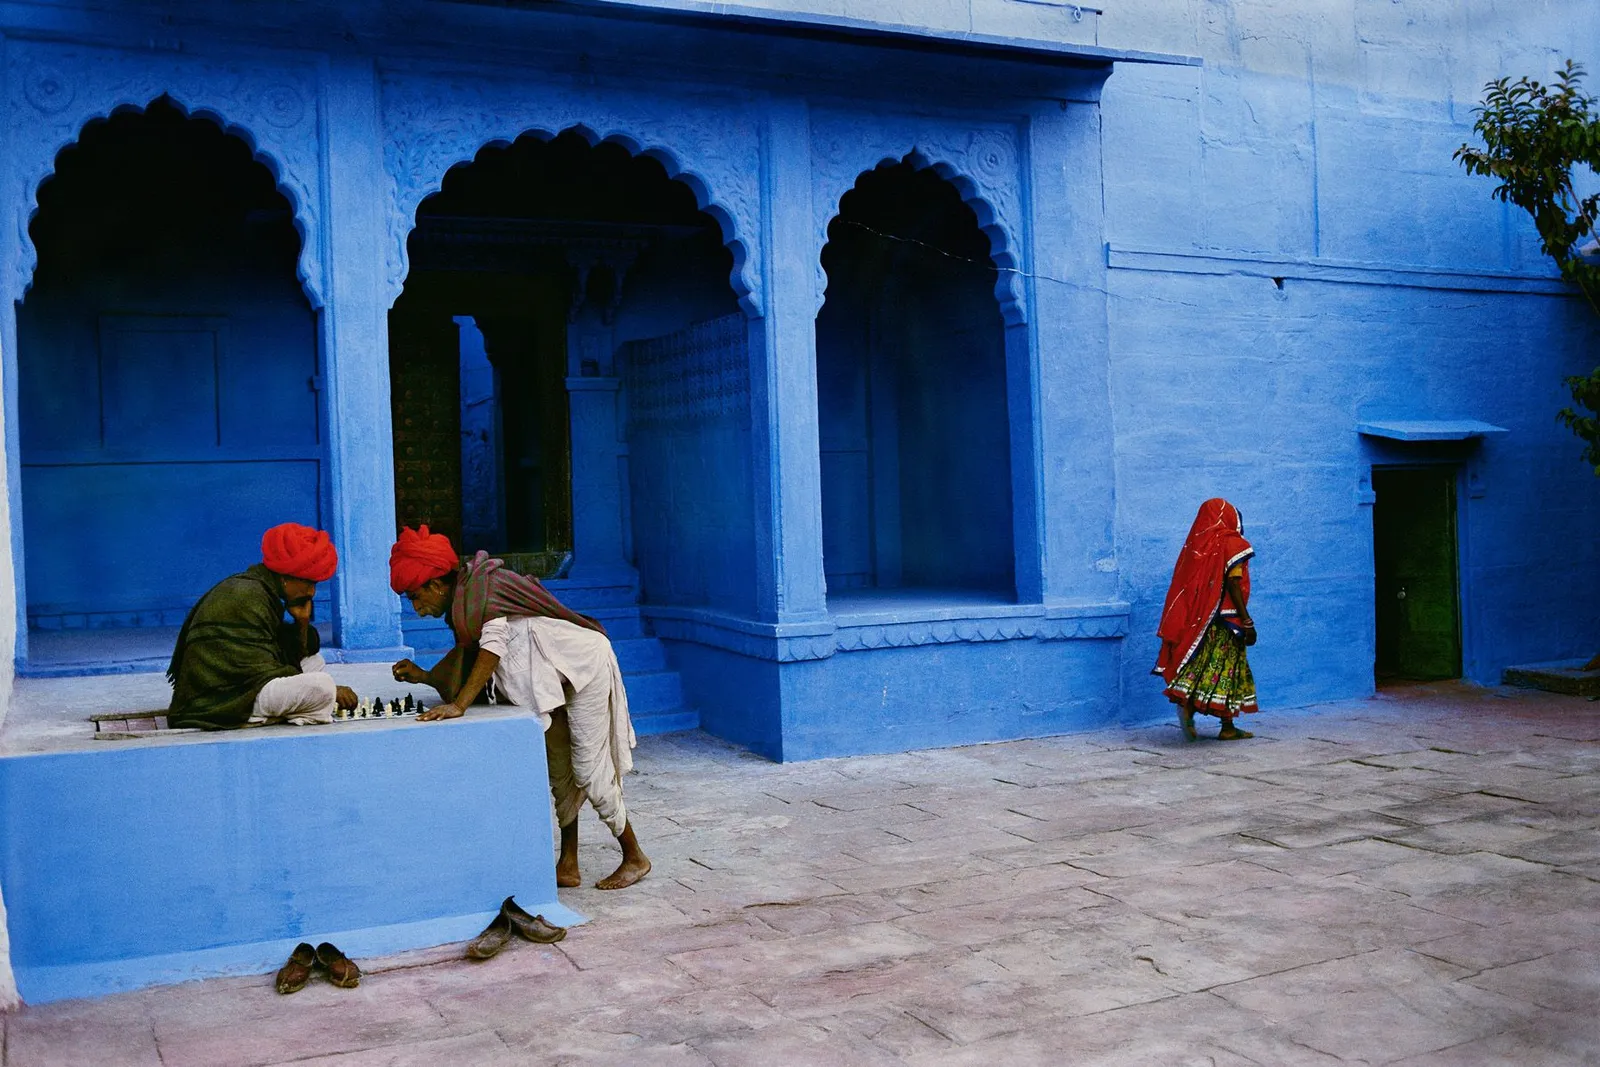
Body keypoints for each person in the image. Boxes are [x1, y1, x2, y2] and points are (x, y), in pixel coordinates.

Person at [388, 525, 651, 890]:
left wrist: (460, 706)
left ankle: (634, 856)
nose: (417, 610)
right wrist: (423, 677)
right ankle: (568, 861)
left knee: (589, 769)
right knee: (558, 766)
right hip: (550, 674)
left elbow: (492, 648)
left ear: (435, 585)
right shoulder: (464, 606)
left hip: (581, 665)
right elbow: (465, 661)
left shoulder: (483, 589)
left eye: (416, 598)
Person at [167, 523, 359, 730]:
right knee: (323, 686)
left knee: (314, 662)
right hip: (222, 699)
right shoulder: (247, 594)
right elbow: (257, 672)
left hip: (246, 684)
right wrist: (333, 691)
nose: (312, 592)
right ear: (286, 578)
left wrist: (302, 622)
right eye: (308, 583)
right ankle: (258, 718)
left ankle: (286, 712)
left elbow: (294, 654)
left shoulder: (263, 590)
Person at [1153, 498, 1259, 741]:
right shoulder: (1234, 544)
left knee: (1204, 667)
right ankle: (1226, 725)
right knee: (1229, 669)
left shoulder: (1199, 548)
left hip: (1205, 624)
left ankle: (1198, 711)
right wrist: (1247, 622)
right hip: (1228, 623)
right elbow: (1233, 583)